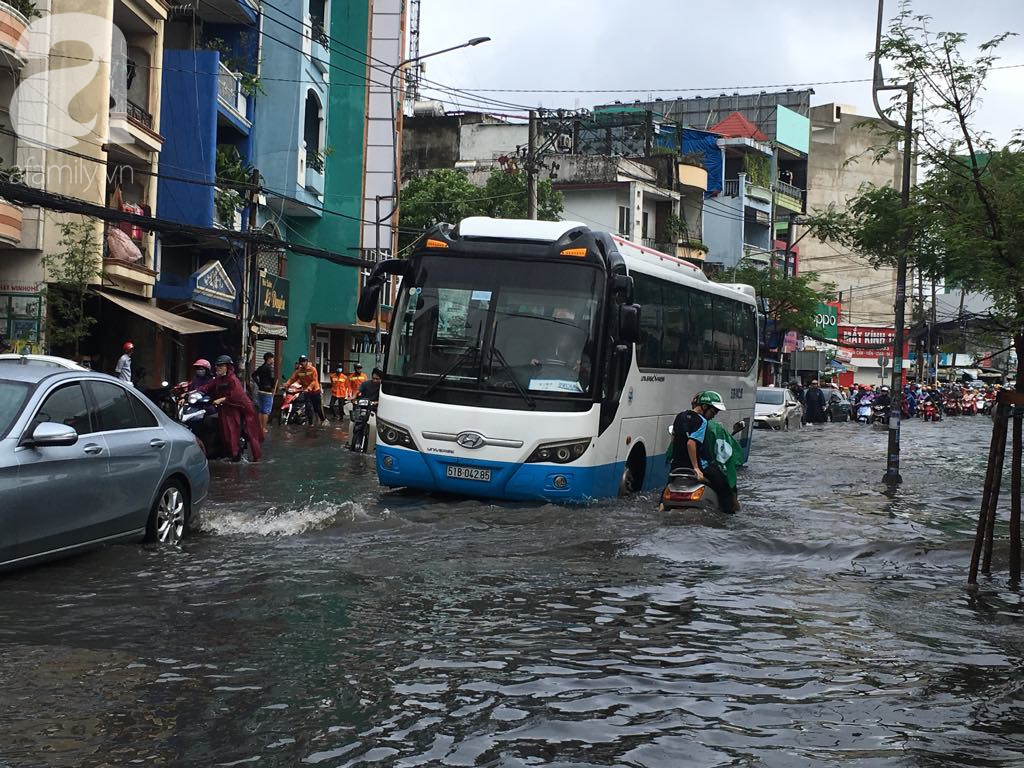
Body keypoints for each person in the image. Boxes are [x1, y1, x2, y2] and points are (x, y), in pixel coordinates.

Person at [670, 390, 736, 513]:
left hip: (676, 467)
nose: (714, 415)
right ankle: (728, 517)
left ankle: (660, 507)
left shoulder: (679, 416)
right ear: (704, 407)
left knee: (666, 490)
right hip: (699, 466)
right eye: (713, 411)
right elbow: (691, 443)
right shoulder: (702, 422)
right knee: (726, 490)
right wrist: (696, 468)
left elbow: (674, 439)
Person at [197, 355, 263, 462]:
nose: (219, 368)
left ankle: (251, 457)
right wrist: (193, 393)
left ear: (228, 367)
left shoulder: (233, 379)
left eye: (221, 366)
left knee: (248, 433)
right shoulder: (218, 379)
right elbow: (207, 387)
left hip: (242, 409)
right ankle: (231, 453)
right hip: (226, 408)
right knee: (226, 433)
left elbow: (236, 395)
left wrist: (222, 399)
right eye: (217, 366)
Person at [284, 354, 326, 426]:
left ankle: (323, 420)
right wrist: (287, 384)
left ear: (306, 361)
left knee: (317, 408)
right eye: (301, 362)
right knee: (308, 407)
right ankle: (310, 424)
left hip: (315, 391)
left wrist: (309, 388)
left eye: (304, 361)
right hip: (306, 391)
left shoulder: (312, 369)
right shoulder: (299, 371)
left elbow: (314, 380)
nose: (302, 363)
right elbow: (292, 378)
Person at [251, 352, 278, 435]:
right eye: (272, 358)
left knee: (260, 410)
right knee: (266, 411)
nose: (273, 360)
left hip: (260, 390)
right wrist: (273, 388)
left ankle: (259, 427)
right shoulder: (270, 368)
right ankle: (264, 428)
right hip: (268, 391)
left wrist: (259, 383)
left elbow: (253, 375)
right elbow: (272, 379)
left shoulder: (261, 367)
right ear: (269, 358)